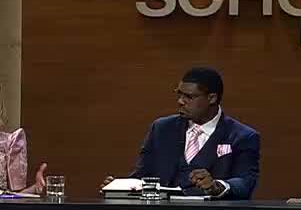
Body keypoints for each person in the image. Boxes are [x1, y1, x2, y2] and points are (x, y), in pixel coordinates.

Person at [111, 67, 260, 199]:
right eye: (179, 94)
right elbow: (142, 175)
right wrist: (118, 186)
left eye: (189, 97)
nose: (180, 101)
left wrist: (217, 186)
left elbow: (245, 182)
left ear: (212, 98)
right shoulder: (162, 129)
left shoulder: (242, 136)